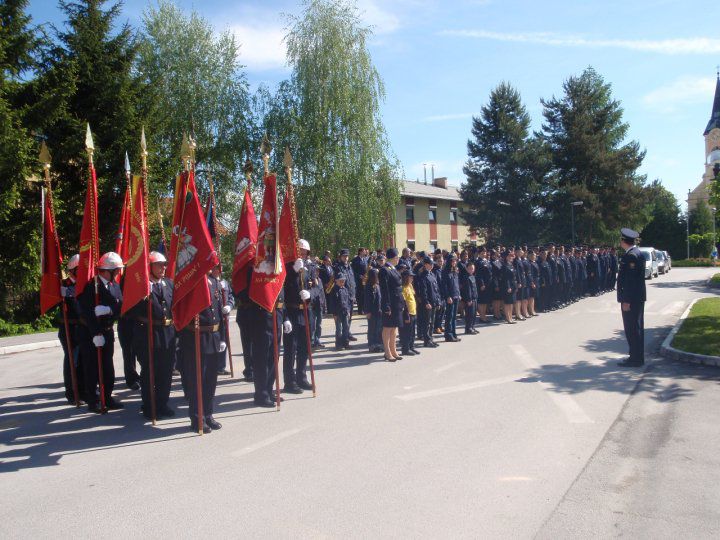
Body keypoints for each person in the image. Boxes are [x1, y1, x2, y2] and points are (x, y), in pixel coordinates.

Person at [77, 251, 124, 413]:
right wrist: (96, 333)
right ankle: (93, 399)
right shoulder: (91, 286)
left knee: (107, 367)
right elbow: (86, 313)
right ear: (106, 271)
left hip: (108, 331)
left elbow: (121, 305)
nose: (118, 273)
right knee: (92, 367)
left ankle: (108, 397)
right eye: (116, 270)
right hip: (92, 334)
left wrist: (109, 310)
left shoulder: (114, 285)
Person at [178, 270, 226, 433]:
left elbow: (219, 312)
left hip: (213, 335)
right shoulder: (192, 282)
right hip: (196, 337)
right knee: (197, 381)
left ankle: (208, 414)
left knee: (211, 380)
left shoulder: (214, 281)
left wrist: (223, 338)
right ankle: (197, 418)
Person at [131, 251, 176, 420]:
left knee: (166, 371)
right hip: (148, 333)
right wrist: (143, 295)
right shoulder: (140, 285)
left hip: (168, 333)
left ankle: (163, 404)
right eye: (159, 264)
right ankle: (149, 406)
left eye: (164, 264)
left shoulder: (169, 284)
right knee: (150, 372)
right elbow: (130, 311)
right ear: (149, 267)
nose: (163, 268)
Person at [282, 241, 313, 394]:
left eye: (304, 251)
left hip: (306, 312)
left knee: (304, 348)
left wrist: (310, 294)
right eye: (299, 251)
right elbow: (283, 293)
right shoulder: (287, 269)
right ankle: (289, 381)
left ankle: (301, 377)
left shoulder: (310, 267)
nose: (302, 253)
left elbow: (317, 288)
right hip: (292, 311)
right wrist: (294, 272)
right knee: (290, 349)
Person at [617, 228, 646, 367]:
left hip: (631, 300)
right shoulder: (638, 253)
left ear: (624, 241)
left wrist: (626, 300)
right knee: (636, 327)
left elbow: (630, 281)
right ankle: (637, 357)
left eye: (621, 240)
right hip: (637, 298)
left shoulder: (631, 256)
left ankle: (635, 358)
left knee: (632, 329)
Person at [58, 254, 85, 404]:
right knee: (72, 362)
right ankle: (72, 393)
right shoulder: (65, 285)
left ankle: (84, 390)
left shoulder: (84, 284)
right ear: (73, 270)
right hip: (70, 328)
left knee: (83, 361)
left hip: (82, 328)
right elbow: (73, 307)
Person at [379, 248, 403, 361]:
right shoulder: (384, 270)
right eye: (397, 257)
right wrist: (386, 306)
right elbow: (385, 290)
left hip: (397, 302)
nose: (398, 259)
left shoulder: (392, 268)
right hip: (390, 303)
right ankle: (387, 352)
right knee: (387, 328)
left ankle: (394, 350)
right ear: (392, 258)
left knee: (394, 328)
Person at [211, 264, 234, 376]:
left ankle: (221, 366)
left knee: (224, 339)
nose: (217, 270)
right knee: (215, 340)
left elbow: (230, 296)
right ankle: (214, 365)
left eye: (218, 268)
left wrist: (229, 305)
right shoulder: (209, 281)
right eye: (215, 268)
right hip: (214, 316)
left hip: (224, 315)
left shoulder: (225, 282)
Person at [415, 256, 440, 348]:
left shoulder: (432, 274)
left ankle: (430, 339)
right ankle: (426, 340)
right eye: (430, 264)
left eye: (432, 264)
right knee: (427, 322)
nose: (432, 265)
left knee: (432, 322)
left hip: (433, 301)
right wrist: (426, 302)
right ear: (425, 265)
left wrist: (438, 301)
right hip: (428, 303)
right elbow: (423, 292)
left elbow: (436, 289)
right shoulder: (423, 276)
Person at [333, 249, 357, 341]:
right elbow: (340, 281)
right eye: (344, 256)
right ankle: (342, 338)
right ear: (340, 257)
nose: (346, 258)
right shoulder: (338, 267)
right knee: (343, 318)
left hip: (351, 294)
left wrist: (354, 292)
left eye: (347, 256)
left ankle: (347, 333)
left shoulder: (349, 267)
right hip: (343, 295)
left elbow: (352, 280)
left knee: (349, 317)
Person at [442, 254, 461, 342]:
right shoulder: (445, 272)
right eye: (452, 261)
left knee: (454, 317)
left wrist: (458, 294)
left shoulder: (455, 271)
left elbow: (456, 284)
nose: (454, 262)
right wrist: (448, 296)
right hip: (450, 297)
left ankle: (453, 333)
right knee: (449, 316)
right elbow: (444, 286)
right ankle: (448, 335)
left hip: (456, 295)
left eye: (455, 261)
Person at [400, 270, 419, 356]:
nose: (412, 278)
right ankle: (405, 349)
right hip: (407, 313)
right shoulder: (403, 288)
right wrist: (406, 315)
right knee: (406, 333)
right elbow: (404, 302)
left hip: (413, 312)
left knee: (412, 332)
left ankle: (411, 346)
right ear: (405, 277)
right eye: (410, 276)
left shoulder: (410, 286)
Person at [329, 273, 352, 350]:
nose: (342, 282)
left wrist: (348, 311)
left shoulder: (345, 289)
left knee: (346, 328)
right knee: (339, 329)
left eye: (343, 281)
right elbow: (332, 303)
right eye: (341, 281)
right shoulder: (334, 290)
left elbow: (348, 301)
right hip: (337, 312)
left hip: (345, 311)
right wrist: (334, 314)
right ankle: (338, 344)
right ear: (336, 281)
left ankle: (346, 343)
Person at [364, 268, 383, 353]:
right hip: (371, 311)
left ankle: (378, 344)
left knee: (378, 328)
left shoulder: (377, 285)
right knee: (372, 328)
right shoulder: (368, 286)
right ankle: (372, 345)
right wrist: (367, 311)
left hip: (378, 311)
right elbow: (367, 300)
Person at [461, 261, 478, 334]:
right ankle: (468, 328)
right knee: (469, 314)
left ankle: (472, 327)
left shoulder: (472, 276)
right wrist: (469, 299)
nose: (472, 270)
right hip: (469, 299)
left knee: (474, 314)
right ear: (467, 269)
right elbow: (468, 290)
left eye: (473, 268)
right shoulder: (466, 277)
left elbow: (474, 288)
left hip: (474, 298)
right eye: (470, 268)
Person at [500, 250, 517, 324]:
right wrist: (508, 287)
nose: (512, 257)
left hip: (513, 285)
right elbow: (505, 278)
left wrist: (515, 286)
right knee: (507, 303)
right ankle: (508, 318)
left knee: (511, 302)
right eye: (510, 256)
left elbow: (514, 277)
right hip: (507, 286)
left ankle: (511, 317)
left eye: (512, 255)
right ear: (506, 257)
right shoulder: (504, 266)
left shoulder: (511, 264)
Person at [351, 248, 368, 315]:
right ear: (360, 252)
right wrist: (360, 276)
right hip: (358, 280)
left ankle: (364, 309)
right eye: (364, 251)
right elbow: (353, 271)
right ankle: (360, 309)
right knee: (359, 295)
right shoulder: (355, 260)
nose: (365, 252)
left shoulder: (365, 259)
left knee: (364, 295)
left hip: (365, 280)